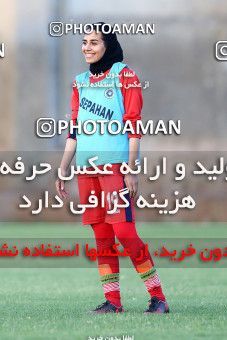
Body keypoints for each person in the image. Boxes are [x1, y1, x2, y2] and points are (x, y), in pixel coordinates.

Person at [56, 22, 169, 314]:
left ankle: (158, 298)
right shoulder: (79, 82)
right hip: (87, 171)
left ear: (108, 46)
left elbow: (134, 127)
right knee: (102, 237)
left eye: (94, 42)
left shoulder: (125, 76)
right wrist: (63, 168)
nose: (87, 47)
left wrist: (131, 169)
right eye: (84, 42)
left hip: (115, 169)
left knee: (125, 232)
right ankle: (113, 302)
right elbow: (74, 131)